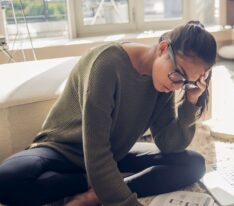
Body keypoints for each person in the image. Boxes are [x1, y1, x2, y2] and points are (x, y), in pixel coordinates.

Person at [0, 20, 217, 206]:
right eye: (178, 75)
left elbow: (170, 145)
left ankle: (97, 193)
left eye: (186, 82)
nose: (179, 86)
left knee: (193, 164)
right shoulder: (107, 64)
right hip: (62, 151)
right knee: (7, 180)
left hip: (113, 156)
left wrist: (191, 102)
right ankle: (102, 184)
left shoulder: (164, 83)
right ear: (162, 49)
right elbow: (96, 151)